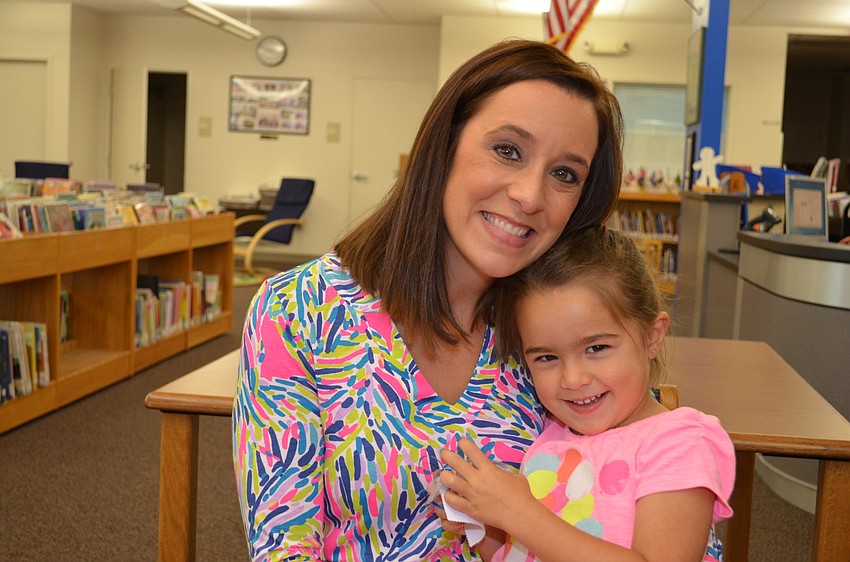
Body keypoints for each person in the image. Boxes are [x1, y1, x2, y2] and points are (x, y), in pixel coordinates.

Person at [232, 37, 624, 561]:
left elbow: (643, 504)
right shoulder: (300, 309)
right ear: (444, 146)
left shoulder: (565, 333)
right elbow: (284, 544)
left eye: (564, 174)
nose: (531, 196)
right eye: (507, 150)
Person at [438, 226, 736, 562]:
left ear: (652, 336)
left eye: (596, 348)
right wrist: (486, 528)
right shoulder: (550, 440)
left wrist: (519, 514)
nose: (573, 379)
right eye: (547, 357)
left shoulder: (678, 442)